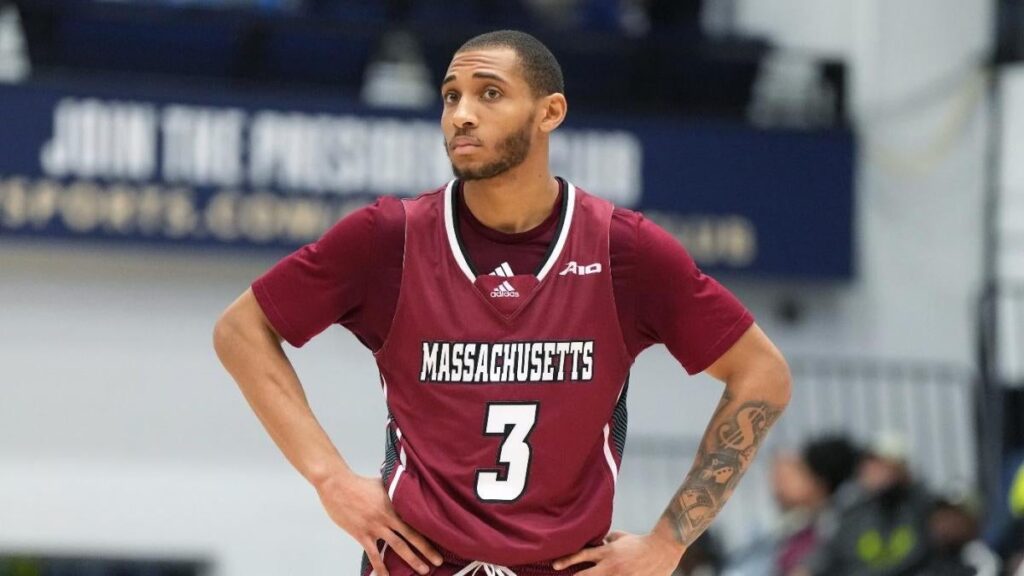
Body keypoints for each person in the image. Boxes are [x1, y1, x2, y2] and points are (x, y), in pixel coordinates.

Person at [213, 29, 792, 576]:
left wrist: (670, 541)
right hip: (418, 561)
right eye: (450, 96)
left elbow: (762, 373)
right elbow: (241, 330)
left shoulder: (624, 250)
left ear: (550, 112)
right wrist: (329, 478)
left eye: (490, 94)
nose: (461, 114)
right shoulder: (390, 237)